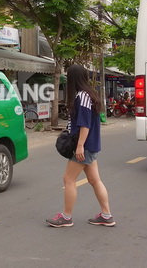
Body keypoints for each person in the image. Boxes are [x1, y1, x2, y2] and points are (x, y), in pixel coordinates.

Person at [46, 64, 115, 227]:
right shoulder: (89, 94)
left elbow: (85, 125)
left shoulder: (83, 96)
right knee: (94, 180)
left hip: (84, 146)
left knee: (68, 179)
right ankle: (106, 215)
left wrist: (79, 146)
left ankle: (66, 216)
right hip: (90, 145)